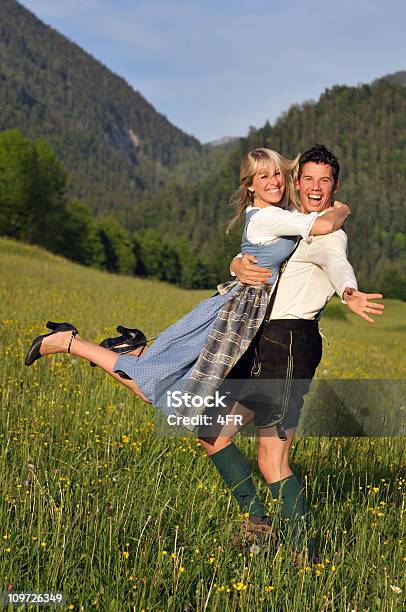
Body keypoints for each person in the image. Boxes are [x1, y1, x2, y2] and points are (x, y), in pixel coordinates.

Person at [24, 148, 349, 422]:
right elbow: (321, 224)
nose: (273, 182)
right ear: (250, 185)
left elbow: (262, 248)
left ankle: (136, 348)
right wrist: (343, 208)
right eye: (263, 177)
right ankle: (69, 343)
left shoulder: (277, 214)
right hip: (236, 314)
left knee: (179, 387)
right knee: (165, 388)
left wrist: (238, 261)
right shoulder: (269, 217)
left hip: (246, 314)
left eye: (277, 174)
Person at [197, 144, 384, 560]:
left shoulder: (329, 232)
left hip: (290, 347)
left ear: (336, 185)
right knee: (211, 430)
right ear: (297, 183)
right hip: (258, 342)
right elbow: (259, 252)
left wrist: (349, 291)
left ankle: (305, 556)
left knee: (272, 460)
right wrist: (236, 263)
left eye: (325, 181)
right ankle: (260, 525)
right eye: (309, 179)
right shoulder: (295, 223)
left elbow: (338, 263)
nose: (316, 187)